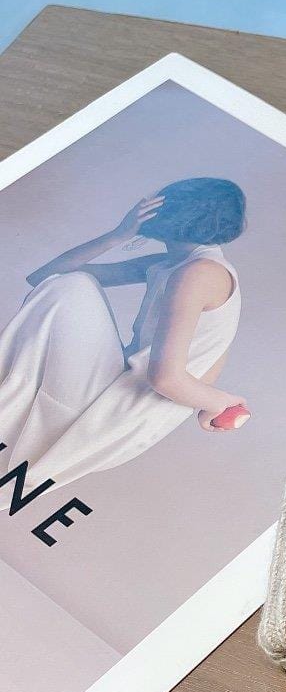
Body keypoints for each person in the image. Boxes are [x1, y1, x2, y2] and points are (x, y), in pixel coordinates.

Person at [0, 177, 248, 493]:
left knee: (74, 286)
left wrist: (219, 403)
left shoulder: (199, 273)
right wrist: (117, 235)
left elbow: (167, 379)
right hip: (130, 388)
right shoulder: (178, 265)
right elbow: (45, 276)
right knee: (69, 283)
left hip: (130, 402)